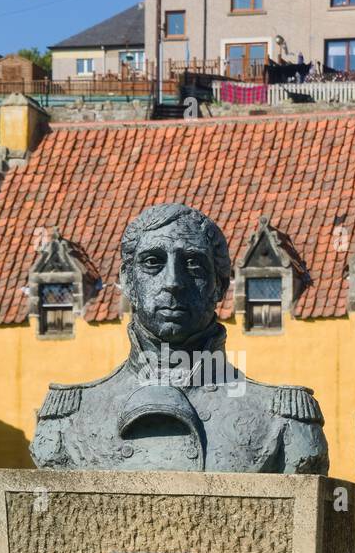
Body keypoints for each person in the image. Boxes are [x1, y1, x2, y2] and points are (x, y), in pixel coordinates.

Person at [29, 203, 328, 474]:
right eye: (153, 262)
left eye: (194, 264)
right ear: (128, 282)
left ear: (219, 287)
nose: (173, 282)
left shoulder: (282, 421)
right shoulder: (69, 421)